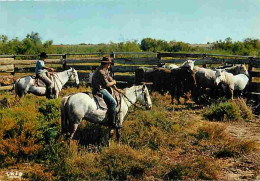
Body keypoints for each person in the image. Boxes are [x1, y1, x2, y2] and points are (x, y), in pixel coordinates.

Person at [91, 57, 119, 128]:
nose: (110, 65)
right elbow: (107, 84)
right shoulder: (101, 72)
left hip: (101, 87)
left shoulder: (105, 70)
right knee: (113, 102)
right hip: (99, 89)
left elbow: (109, 78)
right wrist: (114, 82)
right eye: (109, 63)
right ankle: (111, 122)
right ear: (106, 64)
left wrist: (116, 88)